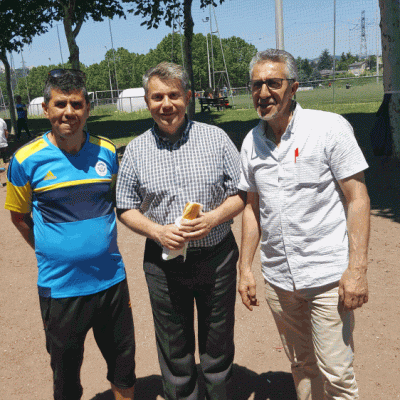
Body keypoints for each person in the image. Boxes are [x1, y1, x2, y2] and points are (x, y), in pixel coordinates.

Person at [238, 49, 370, 400]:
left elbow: (357, 198)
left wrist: (356, 269)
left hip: (326, 277)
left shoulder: (328, 128)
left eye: (273, 83)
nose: (263, 92)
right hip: (280, 280)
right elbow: (252, 209)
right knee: (301, 367)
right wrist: (245, 269)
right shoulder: (251, 142)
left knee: (337, 374)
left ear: (293, 88)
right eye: (256, 84)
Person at [116, 61, 245, 400]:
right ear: (147, 102)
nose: (166, 104)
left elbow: (242, 193)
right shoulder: (135, 150)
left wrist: (214, 218)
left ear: (187, 97)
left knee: (217, 340)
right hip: (163, 263)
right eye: (157, 97)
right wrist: (157, 231)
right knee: (174, 345)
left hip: (216, 257)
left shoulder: (215, 139)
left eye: (174, 95)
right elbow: (125, 207)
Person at [5, 69, 136, 400]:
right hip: (61, 290)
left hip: (111, 284)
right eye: (60, 104)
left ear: (87, 108)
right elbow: (18, 217)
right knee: (65, 381)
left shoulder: (107, 152)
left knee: (124, 370)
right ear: (47, 109)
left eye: (76, 104)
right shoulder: (24, 160)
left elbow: (117, 204)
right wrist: (51, 249)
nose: (68, 112)